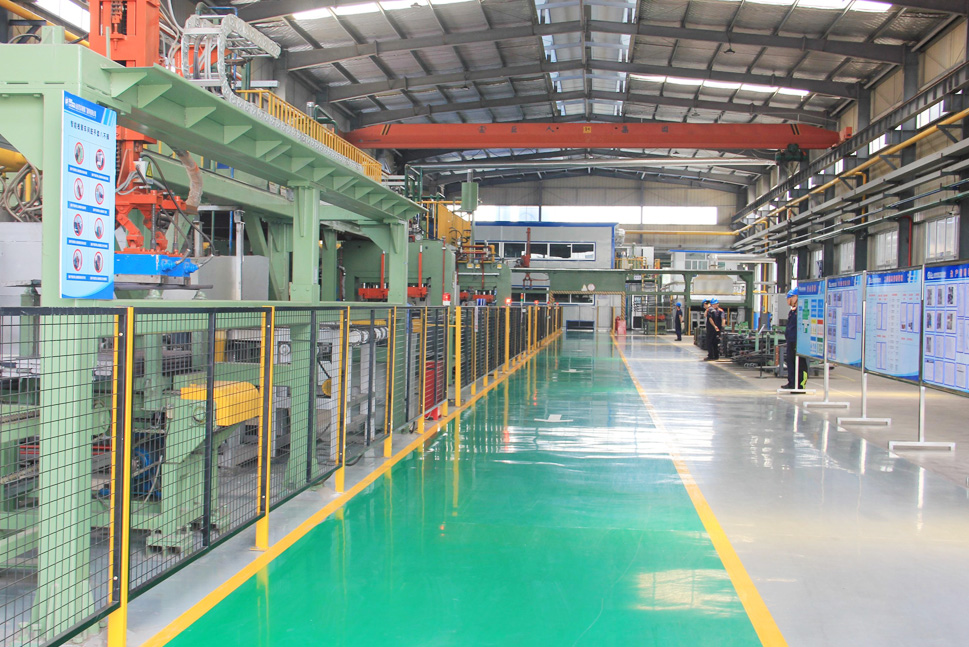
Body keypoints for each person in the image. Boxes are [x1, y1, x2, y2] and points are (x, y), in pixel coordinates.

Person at [782, 288, 808, 390]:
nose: (788, 300)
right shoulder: (793, 312)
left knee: (800, 363)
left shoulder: (802, 311)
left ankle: (800, 384)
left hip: (798, 342)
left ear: (796, 297)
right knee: (790, 362)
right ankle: (792, 383)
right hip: (791, 341)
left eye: (790, 297)